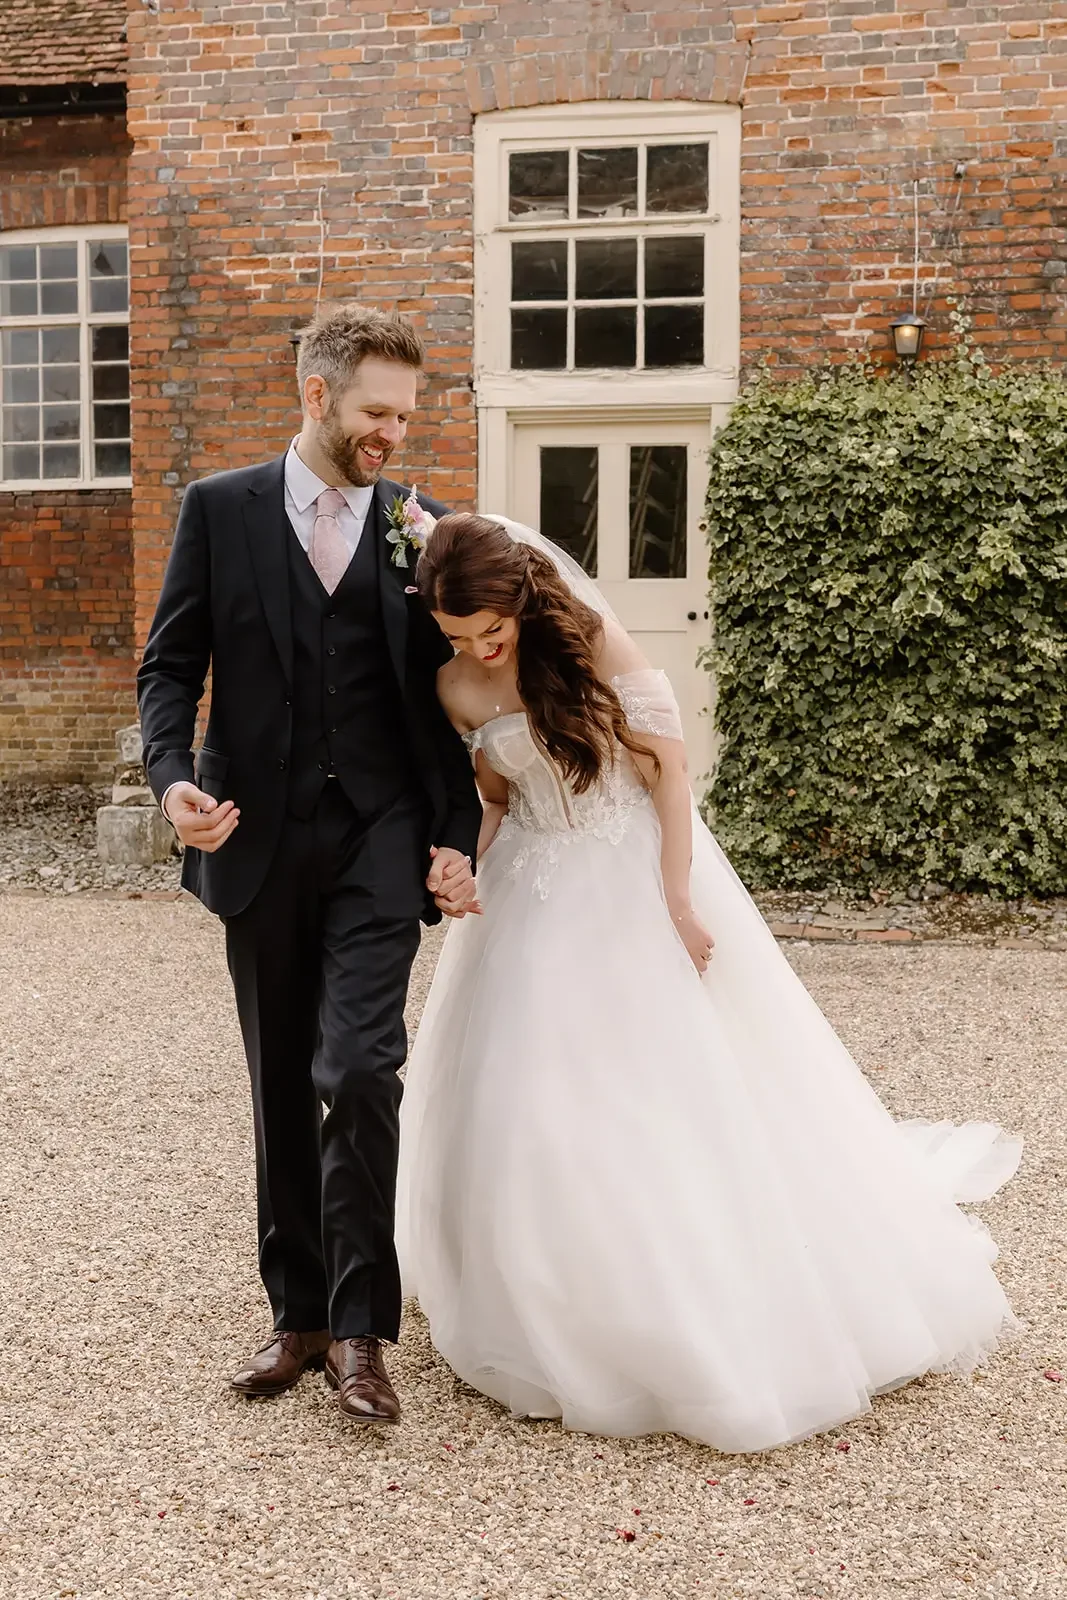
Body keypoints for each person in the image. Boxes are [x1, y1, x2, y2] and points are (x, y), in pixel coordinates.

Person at [395, 511, 1022, 1453]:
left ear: (523, 596)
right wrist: (460, 865)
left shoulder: (587, 642)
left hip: (630, 874)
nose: (480, 647)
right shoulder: (451, 685)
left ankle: (692, 1303)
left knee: (672, 1090)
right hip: (528, 892)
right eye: (459, 636)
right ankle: (543, 1303)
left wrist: (677, 901)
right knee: (529, 1102)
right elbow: (490, 800)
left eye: (492, 627)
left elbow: (668, 773)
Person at [137, 304, 482, 1425]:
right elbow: (169, 660)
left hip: (378, 838)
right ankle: (294, 1316)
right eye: (377, 412)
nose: (392, 433)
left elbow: (438, 705)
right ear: (316, 395)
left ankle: (361, 1332)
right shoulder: (218, 510)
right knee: (282, 1074)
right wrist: (168, 777)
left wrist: (451, 832)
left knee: (359, 1067)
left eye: (404, 415)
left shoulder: (413, 527)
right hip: (256, 837)